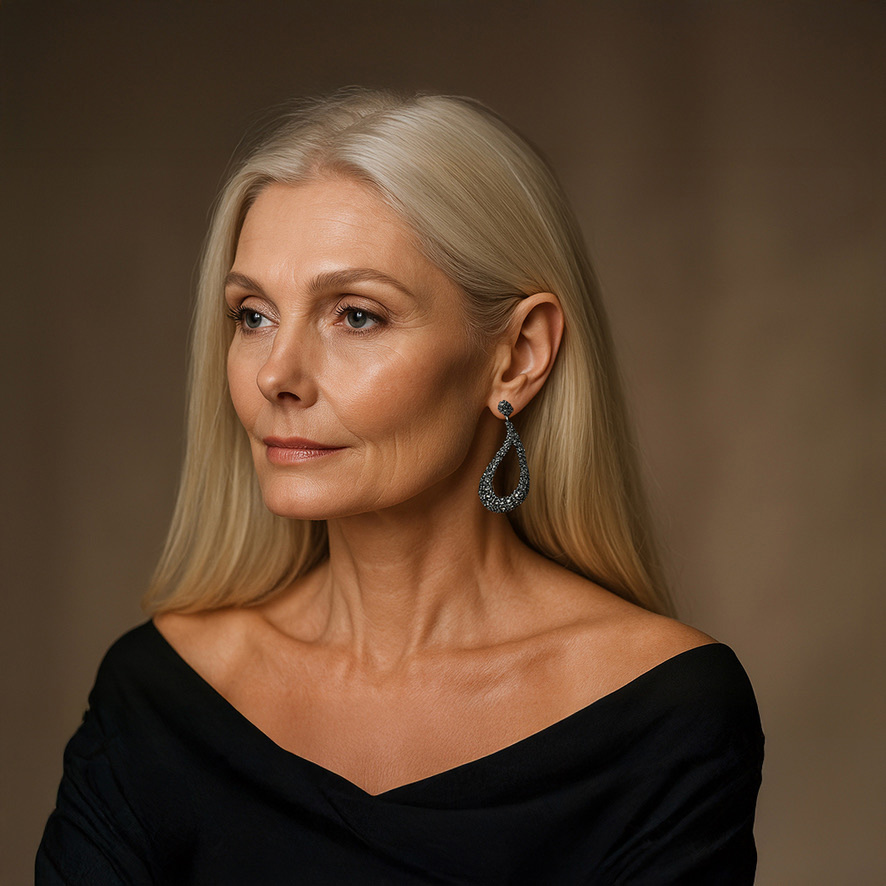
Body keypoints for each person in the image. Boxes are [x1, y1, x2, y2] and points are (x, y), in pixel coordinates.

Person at [36, 88, 763, 884]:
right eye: (252, 316)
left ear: (518, 355)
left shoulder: (665, 710)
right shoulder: (156, 696)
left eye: (355, 315)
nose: (277, 375)